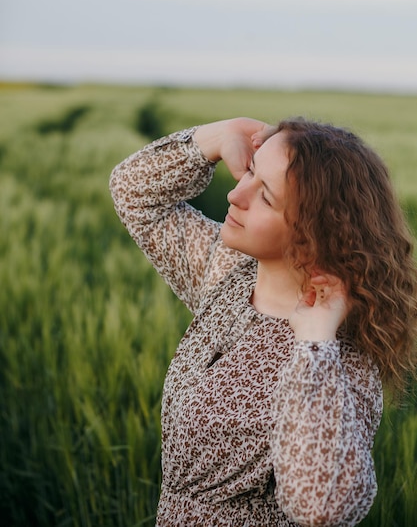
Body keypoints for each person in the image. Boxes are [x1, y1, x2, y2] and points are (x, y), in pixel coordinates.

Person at [109, 116, 417, 526]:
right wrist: (219, 136)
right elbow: (132, 192)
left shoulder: (340, 358)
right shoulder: (230, 272)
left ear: (315, 232)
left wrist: (314, 344)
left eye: (266, 196)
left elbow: (321, 508)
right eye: (251, 171)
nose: (236, 194)